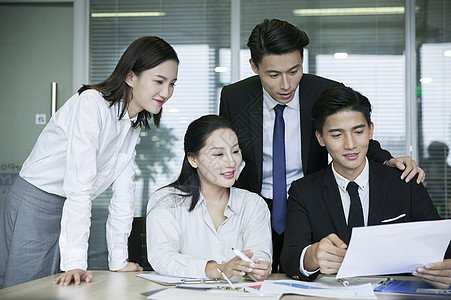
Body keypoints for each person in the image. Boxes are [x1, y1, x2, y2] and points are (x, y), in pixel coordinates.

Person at [219, 18, 425, 272]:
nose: (286, 84)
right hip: (255, 208)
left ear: (302, 61)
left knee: (309, 269)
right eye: (273, 75)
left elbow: (349, 131)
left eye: (294, 71)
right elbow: (223, 148)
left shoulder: (323, 91)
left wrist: (386, 160)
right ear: (254, 66)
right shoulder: (234, 97)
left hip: (308, 207)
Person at [0, 36, 179, 288]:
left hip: (68, 206)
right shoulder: (91, 105)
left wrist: (118, 259)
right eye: (159, 81)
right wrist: (75, 261)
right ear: (130, 77)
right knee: (27, 289)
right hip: (36, 203)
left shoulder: (131, 125)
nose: (166, 92)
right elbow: (79, 186)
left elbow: (124, 195)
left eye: (172, 83)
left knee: (57, 290)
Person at [281, 86, 451, 289]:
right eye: (337, 135)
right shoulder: (304, 191)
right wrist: (311, 256)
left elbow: (441, 248)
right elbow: (290, 257)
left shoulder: (404, 183)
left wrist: (445, 269)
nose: (350, 144)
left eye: (358, 132)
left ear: (370, 130)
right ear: (320, 138)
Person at [146, 115, 272, 282]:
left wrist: (258, 268)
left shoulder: (253, 204)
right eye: (219, 154)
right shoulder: (167, 202)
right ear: (193, 159)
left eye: (235, 151)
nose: (231, 162)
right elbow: (162, 257)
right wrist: (218, 269)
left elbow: (260, 254)